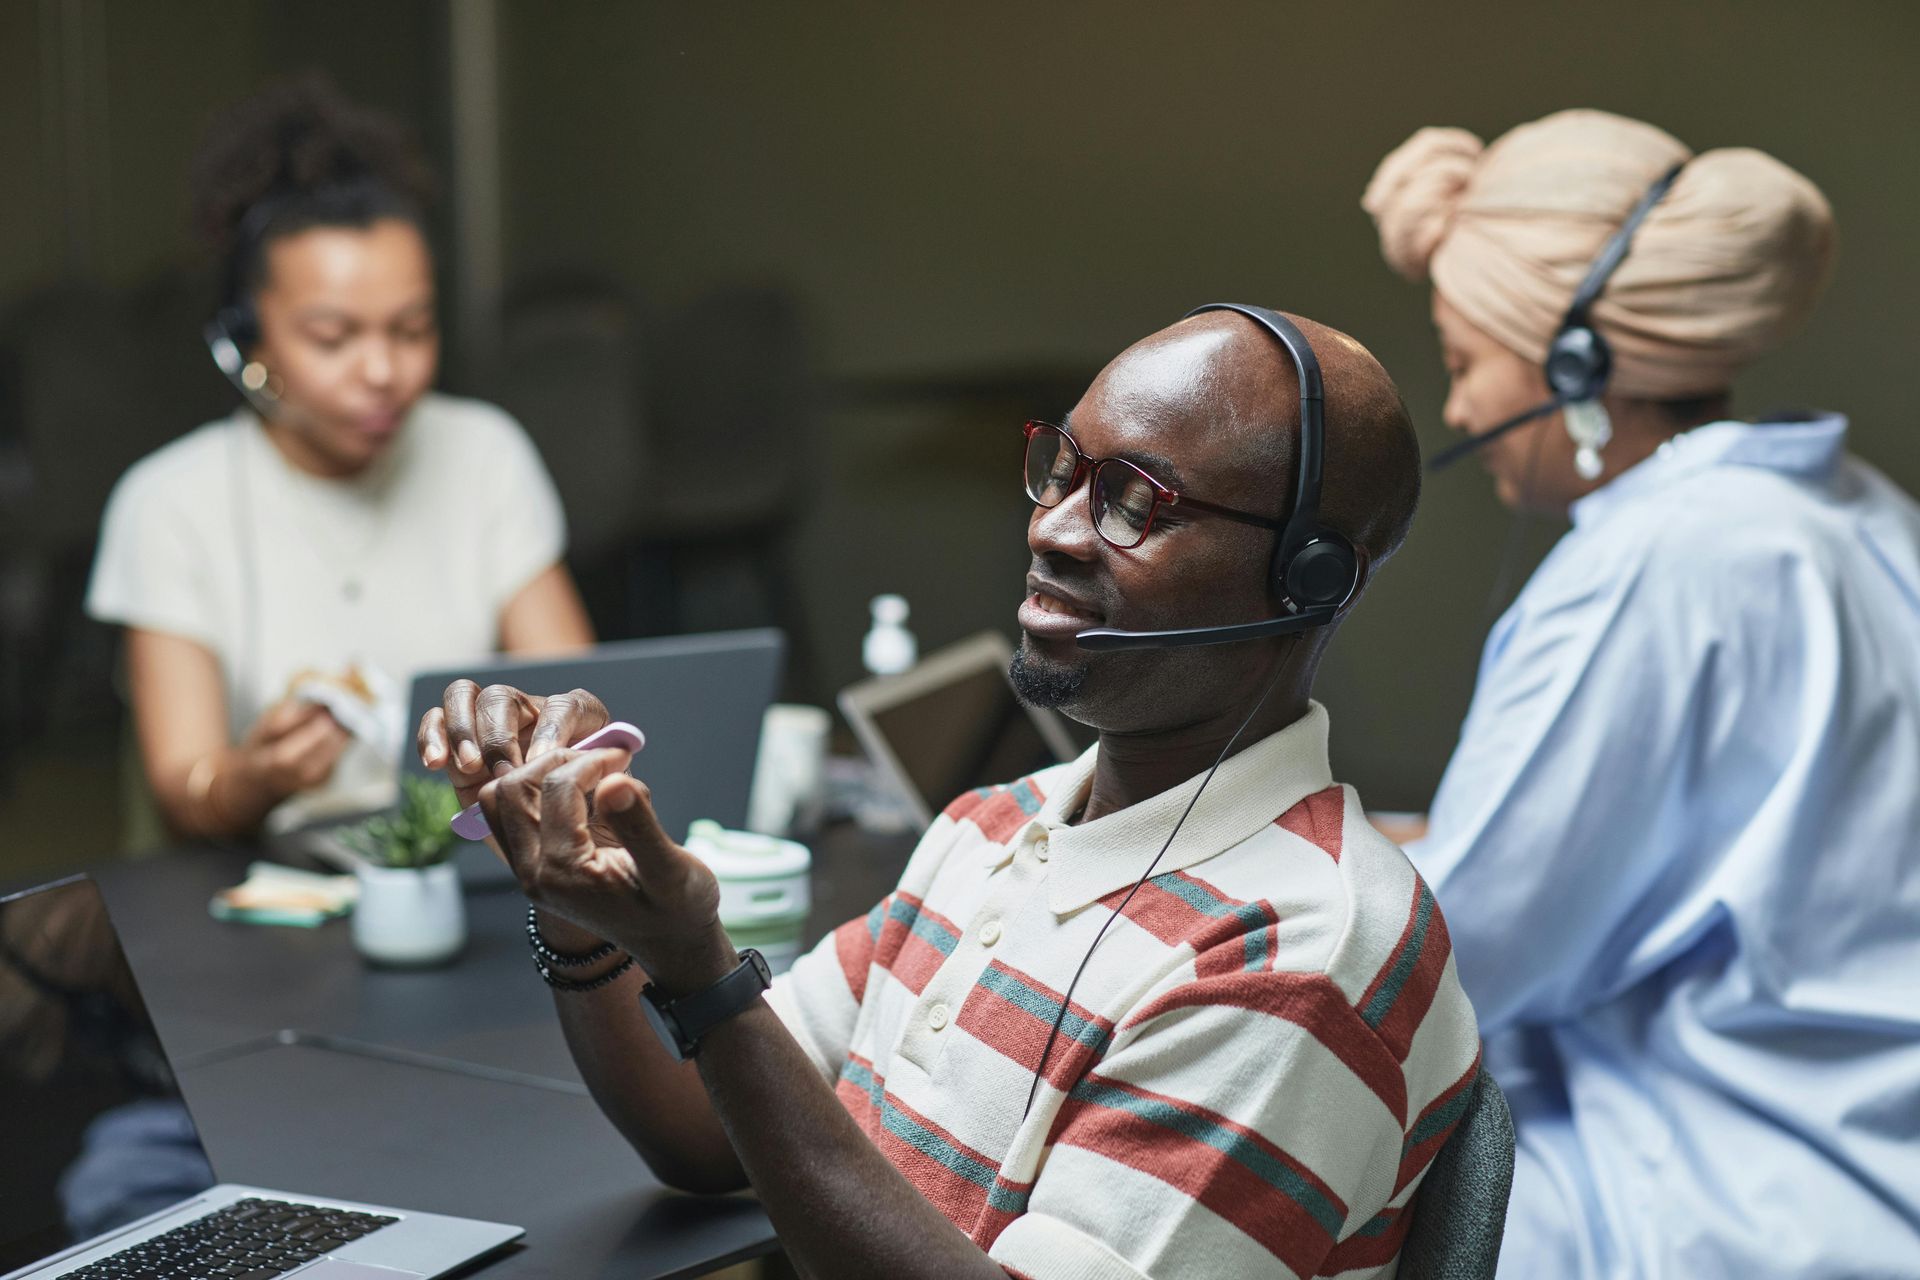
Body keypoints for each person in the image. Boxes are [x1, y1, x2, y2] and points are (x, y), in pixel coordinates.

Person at [415, 308, 1481, 1279]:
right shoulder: (994, 829)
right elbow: (703, 1127)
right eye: (1063, 469)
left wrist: (701, 973)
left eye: (1132, 502)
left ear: (1308, 580)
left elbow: (720, 1047)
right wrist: (575, 895)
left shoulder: (1297, 956)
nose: (1053, 529)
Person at [1362, 109, 1920, 1277]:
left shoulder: (1660, 559)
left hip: (1743, 1195)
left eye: (1465, 363)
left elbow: (1467, 954)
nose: (1460, 411)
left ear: (1574, 365)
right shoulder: (1855, 507)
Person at [86, 76, 593, 841]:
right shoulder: (168, 502)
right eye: (333, 338)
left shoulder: (485, 453)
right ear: (247, 341)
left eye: (412, 329)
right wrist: (256, 778)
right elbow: (183, 793)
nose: (384, 371)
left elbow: (577, 708)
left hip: (465, 872)